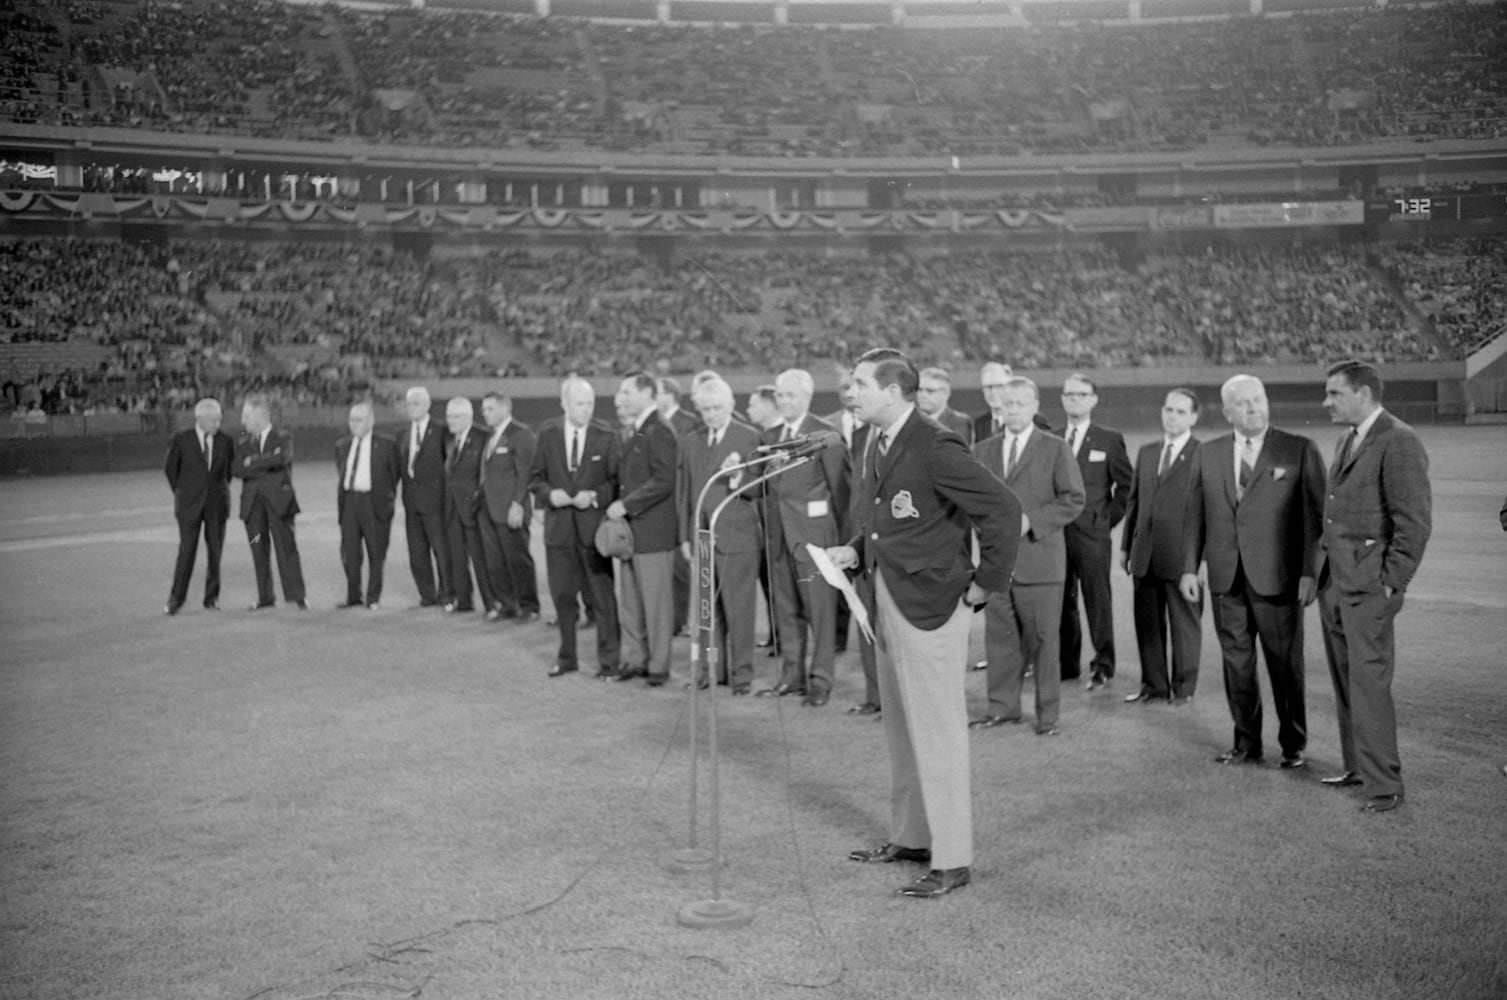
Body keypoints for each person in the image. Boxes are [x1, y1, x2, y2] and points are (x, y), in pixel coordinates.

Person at [830, 348, 1020, 899]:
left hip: (932, 606)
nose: (852, 392)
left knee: (936, 734)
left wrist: (986, 583)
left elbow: (1003, 508)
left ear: (892, 392)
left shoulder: (935, 443)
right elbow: (887, 521)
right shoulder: (876, 438)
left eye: (861, 384)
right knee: (901, 729)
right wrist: (854, 552)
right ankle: (912, 836)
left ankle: (953, 859)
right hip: (888, 597)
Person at [1181, 374, 1325, 769]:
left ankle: (1293, 744)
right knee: (1237, 665)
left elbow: (1315, 520)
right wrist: (1188, 569)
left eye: (1258, 399)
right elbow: (1194, 516)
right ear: (1227, 411)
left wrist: (1311, 573)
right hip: (1227, 580)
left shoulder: (1298, 449)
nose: (1254, 408)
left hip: (1278, 580)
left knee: (1285, 665)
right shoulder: (1207, 454)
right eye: (1243, 403)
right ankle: (1246, 744)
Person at [1316, 360, 1432, 813]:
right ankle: (1357, 767)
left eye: (1334, 393)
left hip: (1368, 589)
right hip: (1337, 584)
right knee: (1348, 684)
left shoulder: (1399, 440)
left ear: (1363, 393)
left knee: (1368, 686)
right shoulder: (1349, 439)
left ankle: (1384, 786)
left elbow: (1414, 524)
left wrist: (1391, 583)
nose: (1326, 402)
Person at [971, 377, 1085, 735]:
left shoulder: (1054, 448)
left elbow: (1073, 499)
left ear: (1036, 406)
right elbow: (973, 502)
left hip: (1041, 562)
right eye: (1007, 404)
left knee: (1044, 643)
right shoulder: (983, 450)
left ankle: (1047, 716)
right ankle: (1002, 709)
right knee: (1001, 641)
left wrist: (1030, 522)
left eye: (1020, 403)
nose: (1013, 410)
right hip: (997, 564)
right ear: (999, 409)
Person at [759, 368, 850, 707]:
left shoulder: (826, 435)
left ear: (807, 397)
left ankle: (821, 680)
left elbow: (842, 492)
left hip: (815, 539)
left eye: (791, 395)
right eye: (780, 395)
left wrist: (838, 540)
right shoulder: (769, 435)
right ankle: (790, 677)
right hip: (780, 537)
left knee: (820, 612)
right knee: (785, 610)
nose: (784, 401)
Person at [529, 376, 621, 678]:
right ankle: (567, 657)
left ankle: (609, 662)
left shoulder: (606, 435)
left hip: (593, 531)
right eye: (580, 403)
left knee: (602, 599)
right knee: (563, 598)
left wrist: (594, 497)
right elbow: (535, 478)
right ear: (564, 404)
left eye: (590, 403)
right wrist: (548, 495)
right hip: (559, 532)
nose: (586, 409)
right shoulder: (547, 434)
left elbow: (614, 483)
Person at [676, 377, 762, 694]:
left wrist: (739, 476)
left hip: (738, 540)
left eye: (717, 408)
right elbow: (685, 493)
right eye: (705, 409)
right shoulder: (690, 439)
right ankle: (709, 672)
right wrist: (686, 537)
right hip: (701, 540)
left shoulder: (750, 437)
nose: (711, 414)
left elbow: (762, 486)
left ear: (730, 406)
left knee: (739, 612)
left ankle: (741, 676)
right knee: (706, 614)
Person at [1120, 389, 1203, 705]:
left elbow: (1206, 513)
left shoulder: (1203, 454)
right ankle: (1154, 686)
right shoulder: (1148, 451)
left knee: (1185, 628)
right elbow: (1135, 502)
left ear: (1194, 417)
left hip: (1182, 559)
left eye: (1181, 412)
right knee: (1148, 624)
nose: (1172, 416)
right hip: (1145, 554)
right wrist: (1127, 546)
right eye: (1168, 409)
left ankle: (1183, 689)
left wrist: (1197, 563)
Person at [1057, 372, 1133, 688]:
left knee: (1097, 600)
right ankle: (1066, 664)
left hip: (1091, 534)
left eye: (1081, 394)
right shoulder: (1051, 436)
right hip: (1056, 534)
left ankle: (1103, 663)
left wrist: (1106, 520)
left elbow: (1126, 486)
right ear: (1062, 399)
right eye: (1069, 394)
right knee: (1061, 600)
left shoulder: (1108, 438)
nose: (1074, 399)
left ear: (1093, 400)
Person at [608, 372, 681, 687]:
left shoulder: (659, 430)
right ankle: (636, 659)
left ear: (647, 393)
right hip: (633, 533)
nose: (621, 397)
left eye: (627, 391)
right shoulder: (638, 429)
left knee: (655, 604)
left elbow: (664, 480)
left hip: (652, 532)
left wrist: (627, 505)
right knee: (632, 602)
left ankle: (658, 665)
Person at [233, 393, 307, 611]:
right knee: (258, 548)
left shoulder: (283, 438)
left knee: (286, 549)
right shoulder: (243, 441)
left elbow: (280, 458)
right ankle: (265, 597)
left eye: (246, 416)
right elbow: (237, 469)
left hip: (278, 505)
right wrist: (264, 463)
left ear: (259, 415)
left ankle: (297, 596)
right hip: (253, 510)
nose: (242, 421)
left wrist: (252, 463)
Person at [163, 397, 234, 614]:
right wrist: (185, 494)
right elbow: (170, 471)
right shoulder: (181, 440)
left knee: (215, 553)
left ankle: (211, 599)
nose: (218, 425)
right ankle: (176, 599)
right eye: (214, 420)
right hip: (189, 507)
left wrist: (215, 494)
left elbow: (227, 474)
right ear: (200, 419)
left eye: (219, 420)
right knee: (186, 552)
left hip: (217, 506)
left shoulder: (226, 441)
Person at [478, 391, 540, 623]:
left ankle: (529, 605)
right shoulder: (491, 436)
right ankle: (507, 604)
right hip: (490, 509)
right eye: (484, 409)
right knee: (495, 561)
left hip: (511, 509)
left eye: (490, 408)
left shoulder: (521, 434)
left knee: (518, 559)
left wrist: (518, 504)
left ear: (505, 408)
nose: (485, 413)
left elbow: (526, 473)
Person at [334, 400, 401, 610]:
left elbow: (394, 474)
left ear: (371, 421)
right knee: (350, 553)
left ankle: (373, 598)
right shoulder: (342, 446)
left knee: (376, 552)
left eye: (359, 420)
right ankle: (353, 595)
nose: (355, 424)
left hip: (375, 503)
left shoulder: (388, 444)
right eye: (352, 419)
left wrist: (385, 498)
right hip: (350, 503)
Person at [657, 376, 702, 636]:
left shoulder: (688, 422)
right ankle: (672, 619)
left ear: (670, 395)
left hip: (680, 502)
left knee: (680, 567)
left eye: (658, 392)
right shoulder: (656, 423)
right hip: (662, 505)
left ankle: (681, 620)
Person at [398, 386, 451, 608]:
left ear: (428, 405)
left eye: (417, 403)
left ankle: (447, 594)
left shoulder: (441, 430)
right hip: (411, 504)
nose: (412, 408)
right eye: (409, 403)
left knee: (442, 551)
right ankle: (427, 595)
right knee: (417, 553)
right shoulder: (403, 434)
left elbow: (450, 467)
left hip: (436, 503)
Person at [442, 396, 490, 614]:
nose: (451, 421)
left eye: (456, 416)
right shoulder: (450, 440)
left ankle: (492, 603)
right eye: (449, 416)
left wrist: (477, 503)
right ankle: (464, 601)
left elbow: (485, 475)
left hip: (473, 509)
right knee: (457, 557)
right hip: (453, 509)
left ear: (469, 416)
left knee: (482, 559)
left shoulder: (483, 437)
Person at [916, 366, 973, 444]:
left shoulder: (960, 423)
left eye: (930, 391)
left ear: (946, 393)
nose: (923, 395)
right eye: (920, 390)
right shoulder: (911, 422)